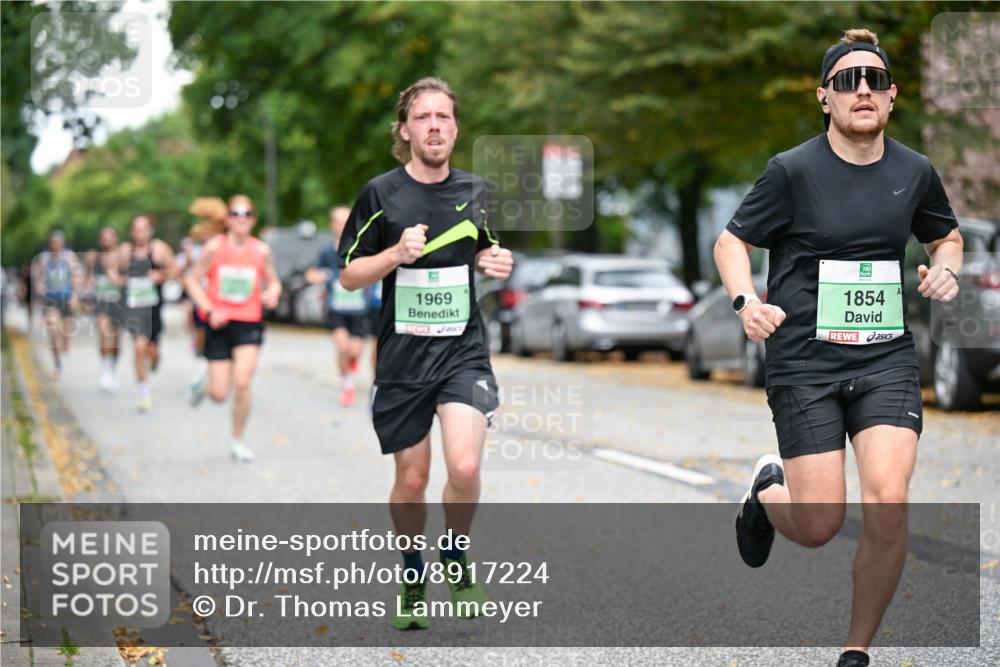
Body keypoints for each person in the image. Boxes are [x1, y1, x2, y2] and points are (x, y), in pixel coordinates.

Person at [714, 29, 963, 667]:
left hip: (885, 360)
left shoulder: (915, 171)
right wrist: (747, 303)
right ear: (824, 97)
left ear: (891, 96)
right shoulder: (792, 170)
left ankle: (856, 651)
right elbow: (730, 243)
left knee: (889, 499)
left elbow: (946, 236)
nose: (862, 90)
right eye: (847, 80)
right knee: (822, 523)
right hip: (805, 363)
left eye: (874, 80)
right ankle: (767, 495)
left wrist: (947, 268)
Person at [338, 77, 514, 630]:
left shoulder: (477, 191)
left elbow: (488, 248)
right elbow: (347, 276)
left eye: (443, 117)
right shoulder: (380, 194)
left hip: (464, 353)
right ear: (405, 130)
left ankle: (456, 553)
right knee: (412, 480)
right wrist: (394, 252)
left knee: (463, 464)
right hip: (404, 359)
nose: (434, 126)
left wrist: (496, 262)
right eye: (423, 118)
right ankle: (413, 568)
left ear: (456, 128)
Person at [184, 194, 281, 462]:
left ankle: (237, 441)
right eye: (236, 213)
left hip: (249, 322)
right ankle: (203, 387)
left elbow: (274, 282)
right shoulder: (215, 247)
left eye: (246, 213)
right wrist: (209, 309)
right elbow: (192, 281)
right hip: (219, 322)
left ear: (253, 219)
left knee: (242, 381)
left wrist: (273, 292)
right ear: (227, 219)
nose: (241, 218)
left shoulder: (261, 250)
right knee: (219, 394)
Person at [305, 206, 373, 406]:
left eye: (346, 221)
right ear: (331, 224)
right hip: (336, 308)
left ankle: (350, 365)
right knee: (343, 347)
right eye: (337, 221)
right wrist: (325, 275)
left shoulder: (362, 248)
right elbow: (311, 274)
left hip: (360, 309)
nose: (342, 225)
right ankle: (348, 386)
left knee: (355, 351)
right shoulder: (327, 252)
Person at [119, 215, 177, 412]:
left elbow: (174, 270)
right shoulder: (126, 251)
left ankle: (155, 359)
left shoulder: (159, 249)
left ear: (150, 230)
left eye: (144, 229)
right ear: (132, 232)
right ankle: (144, 393)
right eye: (137, 229)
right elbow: (113, 272)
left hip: (153, 308)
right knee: (138, 348)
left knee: (152, 351)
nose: (141, 233)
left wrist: (161, 275)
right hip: (135, 309)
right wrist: (122, 280)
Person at [183, 197, 229, 403]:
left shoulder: (226, 241)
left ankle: (208, 376)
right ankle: (205, 370)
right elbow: (190, 275)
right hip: (205, 300)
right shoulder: (202, 245)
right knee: (204, 335)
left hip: (227, 302)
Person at [32, 231, 83, 378]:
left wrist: (75, 294)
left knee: (66, 330)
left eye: (58, 242)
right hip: (51, 300)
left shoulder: (69, 257)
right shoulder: (44, 258)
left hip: (66, 299)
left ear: (62, 243)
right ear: (50, 243)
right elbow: (38, 276)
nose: (55, 245)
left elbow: (76, 275)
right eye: (53, 242)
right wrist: (39, 287)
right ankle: (57, 365)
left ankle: (66, 342)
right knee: (54, 331)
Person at [86, 227, 123, 392]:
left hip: (118, 302)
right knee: (104, 334)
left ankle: (112, 369)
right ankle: (105, 371)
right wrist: (86, 297)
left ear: (115, 239)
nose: (107, 241)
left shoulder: (122, 257)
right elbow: (88, 278)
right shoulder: (94, 257)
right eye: (104, 238)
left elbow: (128, 278)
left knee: (116, 341)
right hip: (101, 302)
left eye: (110, 238)